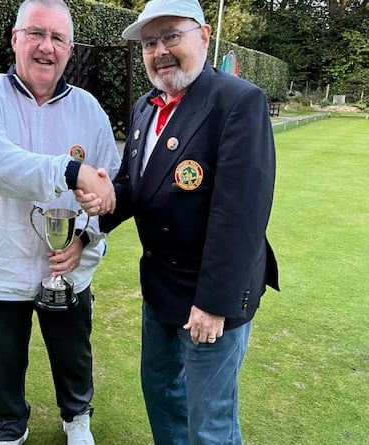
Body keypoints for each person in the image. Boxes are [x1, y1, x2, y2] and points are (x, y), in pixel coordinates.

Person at [75, 0, 279, 444]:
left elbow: (241, 215)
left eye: (172, 36)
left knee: (210, 419)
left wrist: (213, 303)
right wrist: (104, 204)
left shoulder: (238, 101)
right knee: (162, 397)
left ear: (203, 37)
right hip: (161, 288)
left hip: (211, 296)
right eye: (150, 42)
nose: (160, 50)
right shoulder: (146, 106)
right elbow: (135, 185)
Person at [0, 0, 121, 444]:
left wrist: (85, 237)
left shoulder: (88, 109)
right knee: (2, 361)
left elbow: (111, 184)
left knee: (73, 354)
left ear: (69, 49)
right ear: (15, 39)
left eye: (58, 38)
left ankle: (77, 420)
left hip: (68, 268)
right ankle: (10, 428)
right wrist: (71, 171)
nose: (46, 46)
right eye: (36, 33)